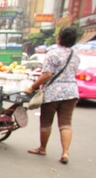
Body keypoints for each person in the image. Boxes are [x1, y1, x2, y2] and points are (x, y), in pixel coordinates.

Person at [25, 27, 80, 164]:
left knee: (46, 122)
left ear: (59, 38)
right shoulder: (76, 55)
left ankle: (42, 148)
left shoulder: (52, 54)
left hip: (53, 93)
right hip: (71, 92)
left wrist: (32, 87)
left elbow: (47, 74)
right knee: (66, 123)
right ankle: (65, 152)